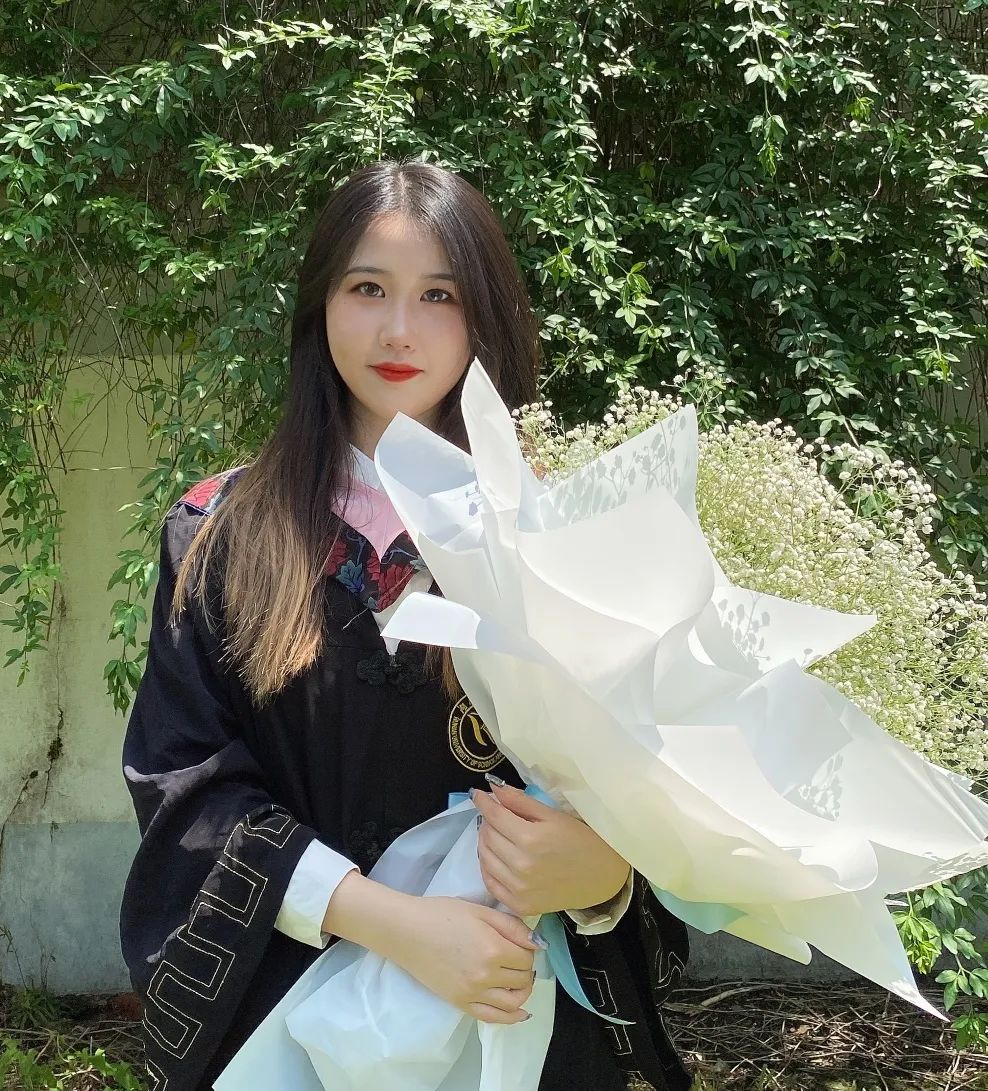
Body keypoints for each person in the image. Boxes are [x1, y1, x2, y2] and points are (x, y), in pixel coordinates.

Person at [118, 159, 692, 1091]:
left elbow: (650, 789)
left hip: (516, 1016)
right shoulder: (220, 534)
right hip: (293, 1020)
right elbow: (187, 788)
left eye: (439, 295)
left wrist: (601, 873)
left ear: (483, 316)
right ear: (320, 304)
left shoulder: (560, 537)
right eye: (367, 288)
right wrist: (394, 923)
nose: (398, 329)